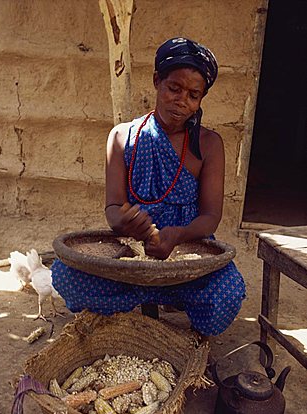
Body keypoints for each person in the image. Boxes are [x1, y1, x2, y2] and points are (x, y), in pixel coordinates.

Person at [51, 37, 246, 336]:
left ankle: (183, 324)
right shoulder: (122, 137)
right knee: (65, 274)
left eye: (194, 95)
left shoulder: (209, 144)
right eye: (174, 88)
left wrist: (177, 235)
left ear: (201, 99)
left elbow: (210, 217)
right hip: (130, 258)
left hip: (185, 258)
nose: (182, 101)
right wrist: (125, 224)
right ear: (157, 81)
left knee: (229, 290)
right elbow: (113, 208)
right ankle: (131, 308)